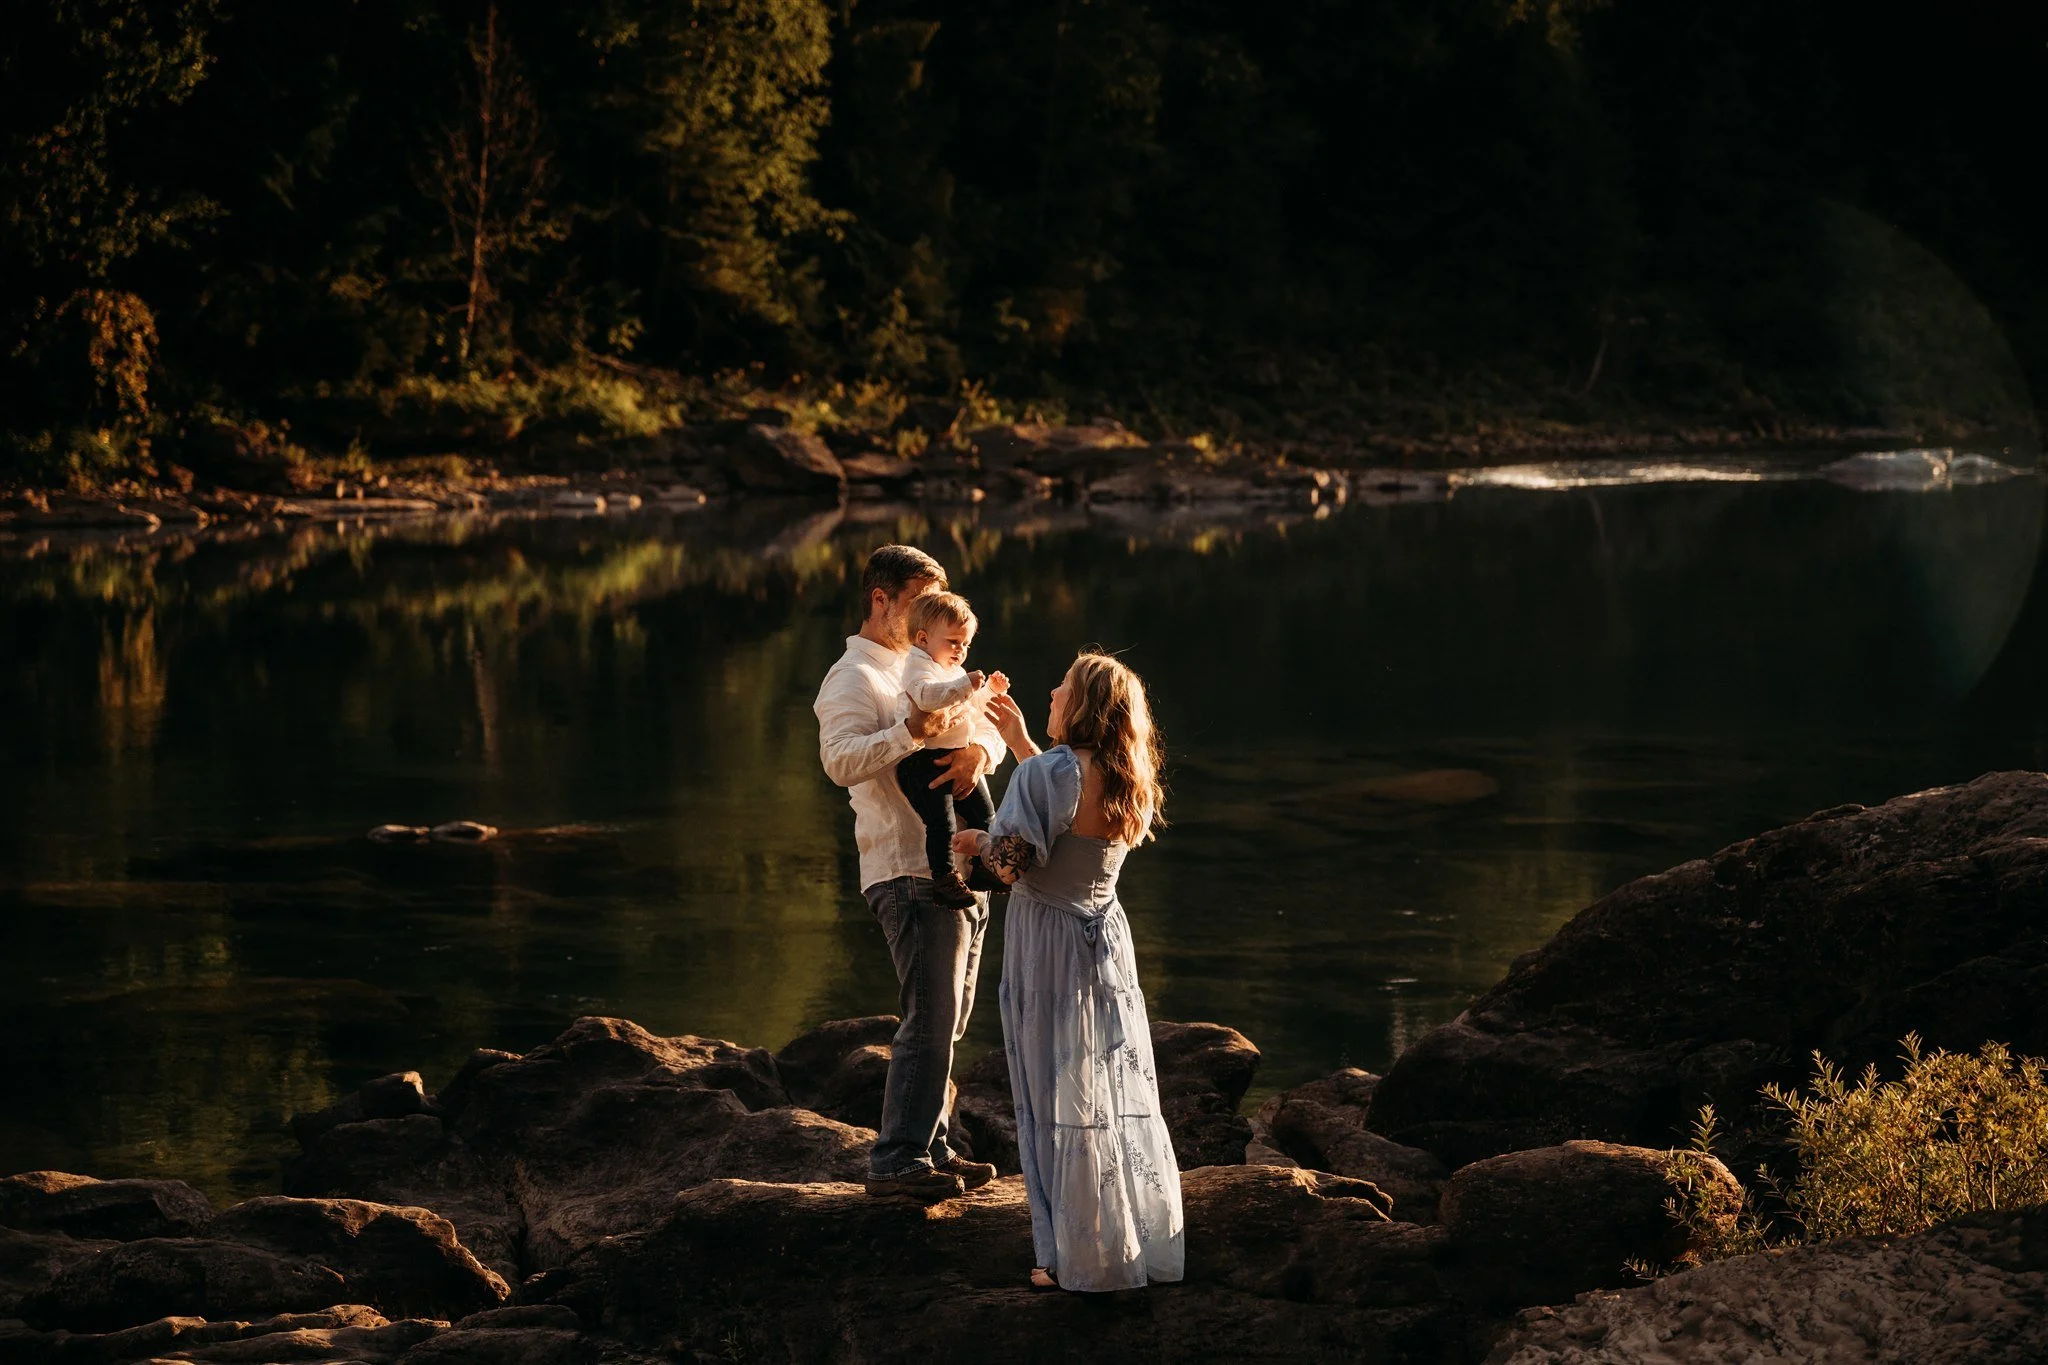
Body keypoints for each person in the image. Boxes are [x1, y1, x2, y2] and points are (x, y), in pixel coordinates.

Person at [955, 651, 1186, 1291]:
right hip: (1103, 936)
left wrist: (975, 841)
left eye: (1059, 687)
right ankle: (1135, 1241)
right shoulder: (1125, 773)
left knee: (1054, 1087)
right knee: (1106, 1085)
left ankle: (1068, 1256)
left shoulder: (1051, 773)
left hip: (1049, 945)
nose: (1051, 692)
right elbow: (1066, 816)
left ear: (1081, 704)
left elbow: (1013, 862)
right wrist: (1021, 742)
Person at [813, 545, 1009, 1201]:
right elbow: (840, 761)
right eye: (920, 600)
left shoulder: (930, 660)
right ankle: (896, 1157)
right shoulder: (853, 677)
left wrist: (980, 752)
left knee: (948, 1020)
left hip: (959, 865)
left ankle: (934, 1144)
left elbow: (992, 732)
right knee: (929, 1016)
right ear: (881, 599)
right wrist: (911, 731)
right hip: (904, 868)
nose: (931, 613)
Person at [894, 591, 1010, 910]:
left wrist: (988, 691)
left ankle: (988, 868)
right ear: (923, 638)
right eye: (953, 642)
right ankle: (944, 878)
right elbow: (928, 698)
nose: (961, 650)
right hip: (923, 763)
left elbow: (971, 709)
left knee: (986, 815)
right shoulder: (917, 667)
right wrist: (966, 685)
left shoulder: (952, 670)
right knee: (942, 823)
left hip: (959, 755)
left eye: (965, 644)